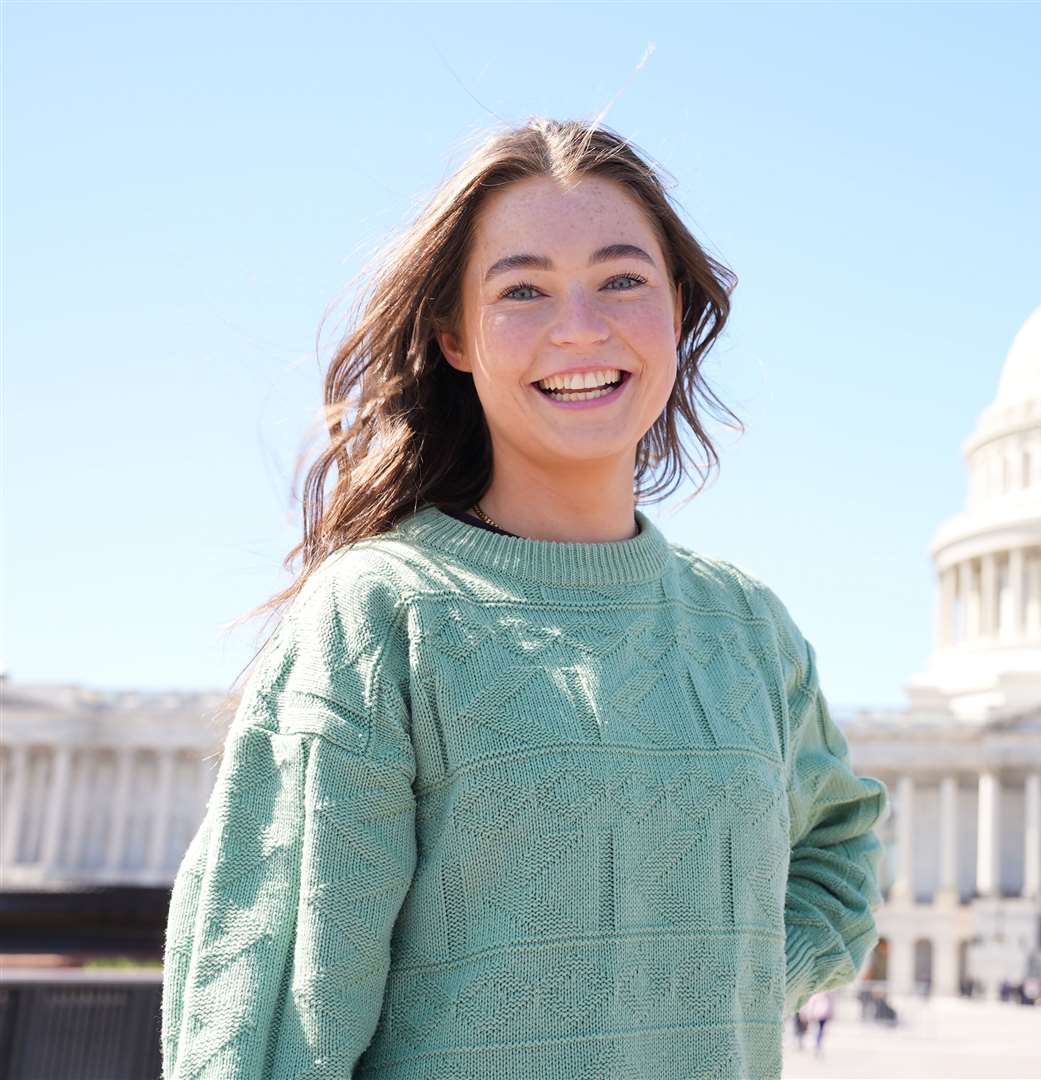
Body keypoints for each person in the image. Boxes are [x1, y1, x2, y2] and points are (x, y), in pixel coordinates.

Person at [157, 118, 888, 1080]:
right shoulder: (381, 621)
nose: (579, 327)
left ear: (678, 308)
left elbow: (839, 857)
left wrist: (732, 978)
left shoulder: (746, 629)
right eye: (524, 290)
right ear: (454, 338)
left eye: (623, 278)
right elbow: (267, 1020)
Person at [802, 990, 835, 1056]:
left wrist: (808, 1013)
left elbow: (811, 1002)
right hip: (823, 1013)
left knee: (817, 1029)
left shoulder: (816, 992)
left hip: (816, 1013)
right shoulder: (827, 991)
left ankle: (817, 1043)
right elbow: (831, 1002)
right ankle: (818, 1044)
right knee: (820, 1030)